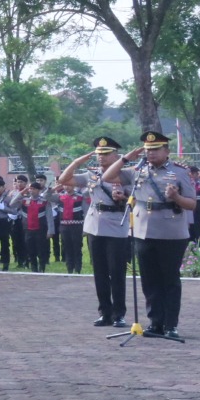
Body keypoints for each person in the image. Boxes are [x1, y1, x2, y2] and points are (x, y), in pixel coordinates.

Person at [104, 132, 195, 339]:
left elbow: (192, 203)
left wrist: (176, 197)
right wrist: (125, 158)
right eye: (147, 149)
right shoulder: (138, 170)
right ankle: (155, 323)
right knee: (149, 280)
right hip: (144, 231)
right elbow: (107, 177)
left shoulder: (179, 173)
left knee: (169, 280)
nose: (150, 153)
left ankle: (171, 325)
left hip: (171, 232)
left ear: (166, 151)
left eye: (155, 149)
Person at [59, 137, 134, 327]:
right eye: (99, 154)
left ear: (116, 155)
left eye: (106, 154)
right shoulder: (91, 175)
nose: (101, 157)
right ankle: (105, 312)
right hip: (95, 225)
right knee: (99, 272)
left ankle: (119, 314)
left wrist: (123, 197)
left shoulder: (125, 174)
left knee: (116, 272)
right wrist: (76, 162)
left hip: (116, 224)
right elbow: (63, 179)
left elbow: (133, 201)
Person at [20, 183, 53, 273]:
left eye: (34, 189)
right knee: (30, 250)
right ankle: (34, 268)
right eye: (30, 189)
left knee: (41, 250)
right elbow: (12, 203)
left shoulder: (44, 201)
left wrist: (50, 230)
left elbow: (49, 216)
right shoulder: (24, 200)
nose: (31, 190)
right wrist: (21, 193)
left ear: (39, 190)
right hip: (28, 229)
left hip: (40, 229)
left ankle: (41, 267)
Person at [56, 184, 87, 275]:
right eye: (65, 185)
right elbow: (47, 196)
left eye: (68, 185)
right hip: (64, 226)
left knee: (77, 247)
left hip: (77, 226)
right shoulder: (60, 196)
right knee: (67, 247)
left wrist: (85, 227)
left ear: (73, 185)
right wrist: (55, 188)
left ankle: (78, 268)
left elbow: (85, 211)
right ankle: (69, 268)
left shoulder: (80, 196)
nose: (66, 187)